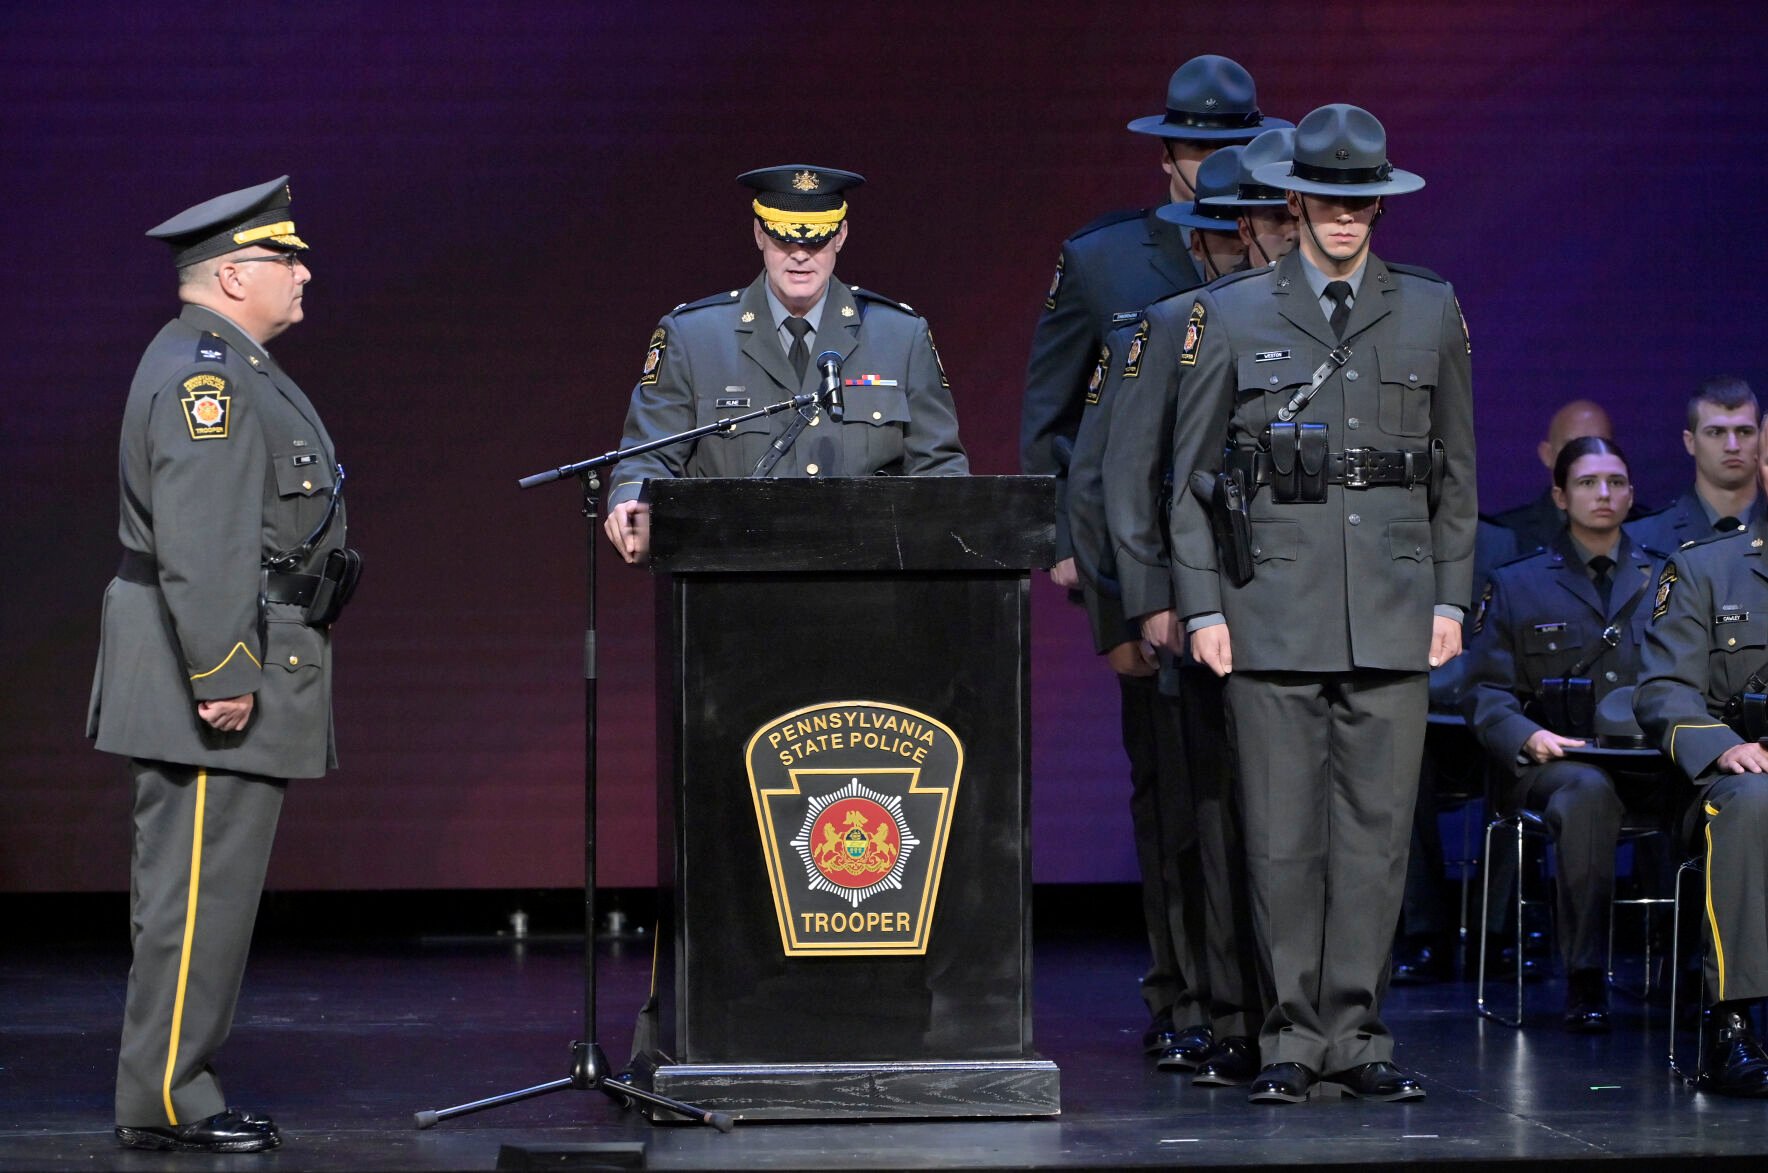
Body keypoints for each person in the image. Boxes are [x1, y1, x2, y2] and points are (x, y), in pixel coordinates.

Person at [1167, 104, 1476, 1103]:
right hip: (1270, 610)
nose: (1346, 218)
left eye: (1363, 201)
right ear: (1296, 200)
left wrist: (1450, 597)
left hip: (1390, 605)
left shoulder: (1428, 309)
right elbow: (1190, 479)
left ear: (1379, 206)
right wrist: (1204, 609)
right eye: (1330, 200)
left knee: (1376, 838)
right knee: (1279, 836)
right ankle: (1290, 1038)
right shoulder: (1238, 313)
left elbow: (1455, 477)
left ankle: (1360, 1034)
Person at [1018, 53, 1285, 1070]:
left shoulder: (1279, 240)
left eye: (1232, 145)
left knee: (1252, 793)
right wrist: (1072, 557)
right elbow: (1054, 421)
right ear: (1167, 151)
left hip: (1260, 564)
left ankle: (1254, 996)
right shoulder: (1107, 261)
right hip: (1141, 566)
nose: (1212, 163)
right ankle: (1181, 992)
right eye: (1198, 146)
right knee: (1173, 792)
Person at [88, 176, 350, 1153]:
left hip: (223, 657)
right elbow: (201, 537)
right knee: (195, 896)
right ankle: (165, 1098)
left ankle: (173, 1085)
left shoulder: (229, 363)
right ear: (236, 274)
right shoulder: (209, 375)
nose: (304, 272)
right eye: (288, 257)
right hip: (208, 669)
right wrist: (225, 669)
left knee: (209, 893)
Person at [604, 166, 967, 561]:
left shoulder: (900, 336)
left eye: (817, 238)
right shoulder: (692, 337)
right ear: (759, 233)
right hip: (729, 577)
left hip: (869, 579)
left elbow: (939, 468)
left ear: (841, 235)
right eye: (783, 237)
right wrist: (632, 501)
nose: (799, 254)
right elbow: (647, 456)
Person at [1463, 436, 1662, 1031]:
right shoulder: (1519, 582)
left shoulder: (1667, 576)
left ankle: (1705, 975)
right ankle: (1584, 974)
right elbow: (1484, 692)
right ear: (1559, 495)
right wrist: (1526, 735)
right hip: (1555, 762)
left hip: (1649, 757)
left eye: (1617, 482)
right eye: (1587, 482)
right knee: (1589, 795)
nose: (1604, 494)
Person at [1634, 414, 1768, 1096]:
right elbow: (1662, 693)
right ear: (1764, 467)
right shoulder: (1705, 570)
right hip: (1740, 776)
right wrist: (1730, 747)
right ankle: (1733, 1025)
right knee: (1753, 804)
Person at [1626, 377, 1762, 555]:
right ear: (1690, 442)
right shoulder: (1640, 539)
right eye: (1716, 432)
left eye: (1745, 432)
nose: (1732, 446)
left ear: (1763, 439)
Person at [1489, 399, 1615, 555]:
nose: (1587, 459)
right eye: (1572, 447)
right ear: (1547, 455)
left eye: (1600, 445)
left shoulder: (1643, 530)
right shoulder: (1506, 537)